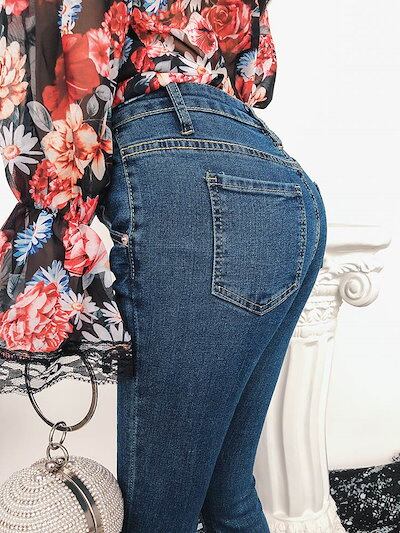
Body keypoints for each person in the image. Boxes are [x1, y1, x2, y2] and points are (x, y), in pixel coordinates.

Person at [0, 1, 327, 531]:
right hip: (282, 179)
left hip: (184, 175)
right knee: (228, 495)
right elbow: (255, 76)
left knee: (157, 517)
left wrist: (53, 207)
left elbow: (65, 42)